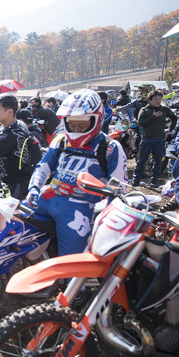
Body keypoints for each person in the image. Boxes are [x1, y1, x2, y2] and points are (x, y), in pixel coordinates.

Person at [25, 89, 127, 256]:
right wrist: (34, 188)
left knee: (71, 264)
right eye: (71, 124)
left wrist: (105, 218)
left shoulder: (110, 147)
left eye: (82, 124)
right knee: (13, 224)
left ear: (97, 119)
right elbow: (43, 166)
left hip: (80, 208)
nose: (76, 129)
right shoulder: (61, 140)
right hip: (48, 196)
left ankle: (76, 282)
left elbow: (119, 189)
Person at [131, 90, 178, 186]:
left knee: (158, 161)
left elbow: (174, 118)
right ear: (150, 100)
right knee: (141, 160)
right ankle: (136, 180)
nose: (158, 101)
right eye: (156, 99)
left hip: (159, 139)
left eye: (160, 99)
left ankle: (154, 180)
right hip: (146, 139)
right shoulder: (144, 110)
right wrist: (154, 116)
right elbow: (141, 123)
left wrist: (170, 129)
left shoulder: (164, 109)